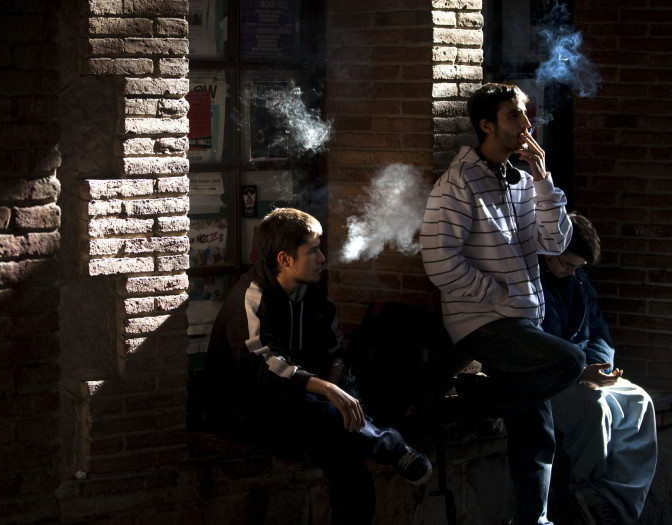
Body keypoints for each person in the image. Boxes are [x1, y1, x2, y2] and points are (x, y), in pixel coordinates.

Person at [202, 207, 432, 525]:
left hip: (305, 407)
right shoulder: (250, 298)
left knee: (345, 453)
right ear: (284, 259)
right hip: (249, 410)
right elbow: (265, 364)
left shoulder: (314, 299)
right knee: (326, 419)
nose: (322, 258)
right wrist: (324, 388)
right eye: (312, 250)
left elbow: (333, 351)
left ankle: (381, 442)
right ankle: (388, 444)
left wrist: (335, 382)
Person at [420, 83, 585, 525]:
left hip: (523, 322)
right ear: (486, 125)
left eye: (525, 114)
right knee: (569, 362)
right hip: (484, 322)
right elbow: (438, 261)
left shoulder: (521, 179)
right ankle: (479, 401)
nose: (527, 124)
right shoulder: (457, 183)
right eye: (515, 115)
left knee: (536, 434)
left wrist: (544, 181)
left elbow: (555, 241)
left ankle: (533, 521)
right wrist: (495, 295)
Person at [540, 213, 657, 525]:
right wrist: (581, 374)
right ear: (550, 248)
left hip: (582, 369)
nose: (570, 272)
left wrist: (599, 366)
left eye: (577, 268)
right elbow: (541, 345)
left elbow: (599, 329)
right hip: (548, 380)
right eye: (566, 264)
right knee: (595, 409)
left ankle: (617, 502)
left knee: (640, 401)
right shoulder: (531, 281)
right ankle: (586, 495)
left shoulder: (576, 279)